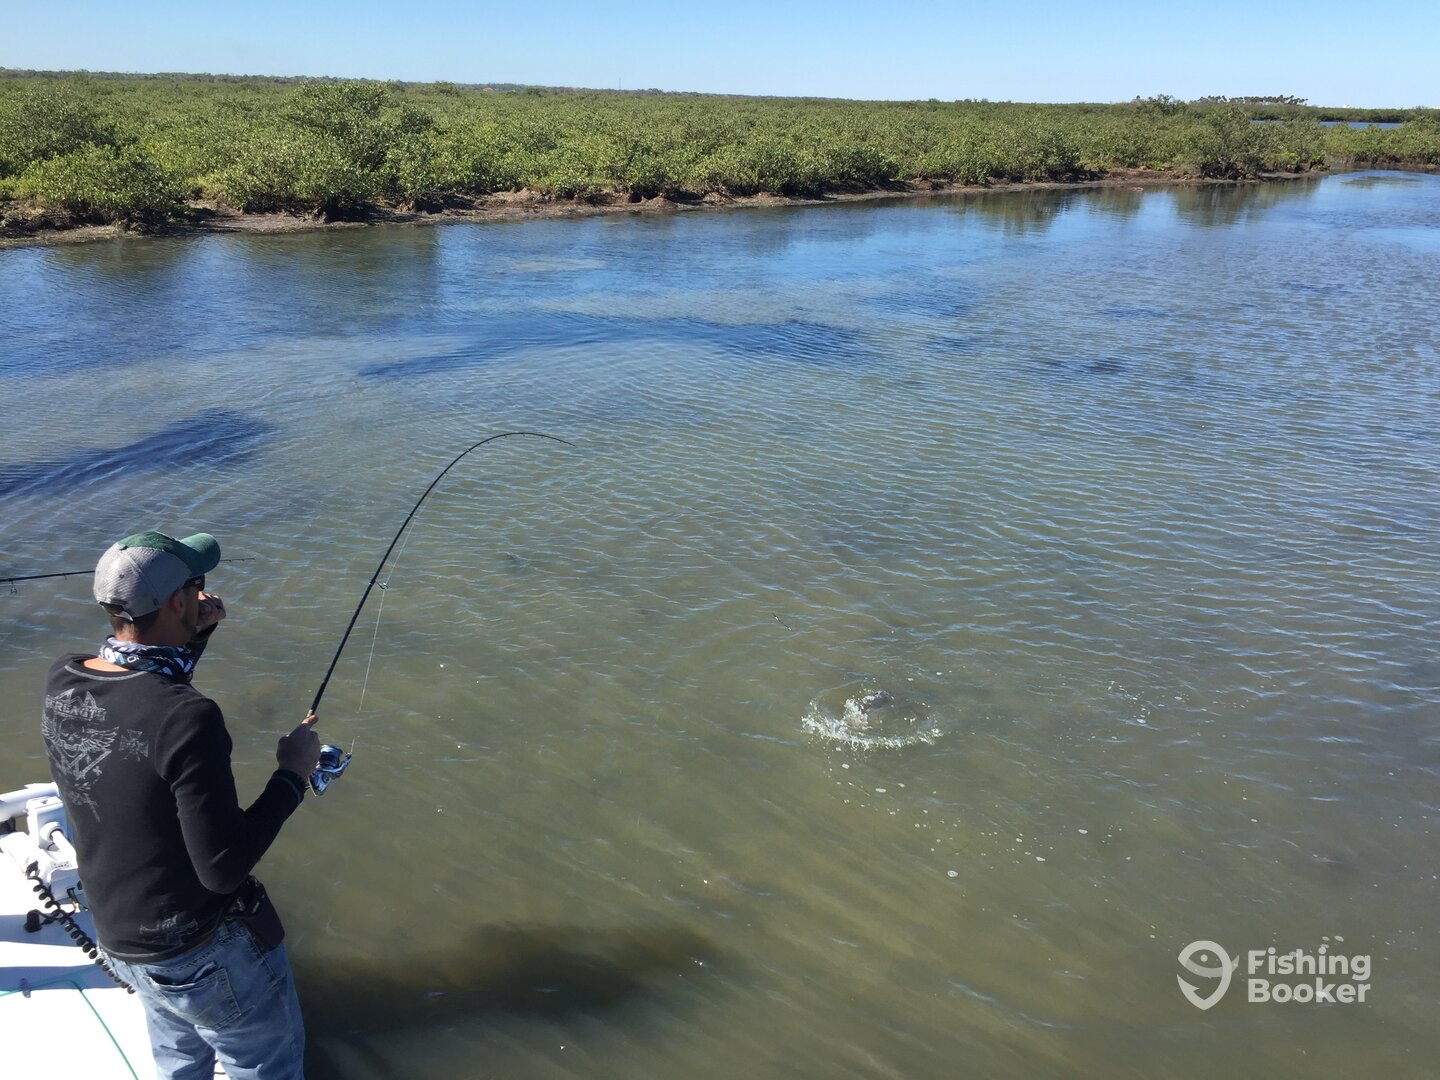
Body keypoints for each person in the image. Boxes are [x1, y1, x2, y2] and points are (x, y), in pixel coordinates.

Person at [40, 529, 321, 1080]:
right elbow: (223, 869)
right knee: (266, 1066)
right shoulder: (190, 719)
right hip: (201, 951)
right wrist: (292, 775)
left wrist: (195, 634)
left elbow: (142, 707)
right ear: (174, 601)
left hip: (121, 935)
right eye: (196, 585)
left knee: (179, 1063)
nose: (204, 593)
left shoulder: (64, 676)